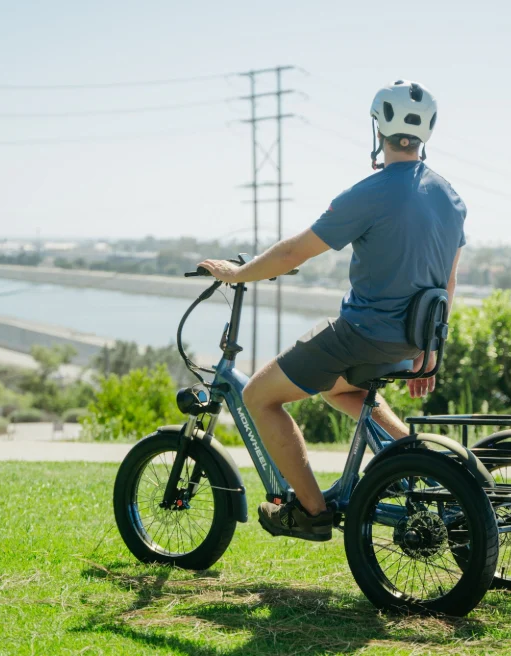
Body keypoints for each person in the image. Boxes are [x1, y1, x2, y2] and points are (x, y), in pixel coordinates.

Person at [198, 79, 466, 542]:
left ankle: (311, 512)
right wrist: (432, 349)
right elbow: (447, 283)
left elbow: (293, 253)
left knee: (259, 395)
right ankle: (416, 455)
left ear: (378, 128)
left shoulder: (371, 191)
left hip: (362, 334)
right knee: (337, 389)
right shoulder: (450, 197)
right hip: (413, 340)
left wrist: (237, 274)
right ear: (428, 131)